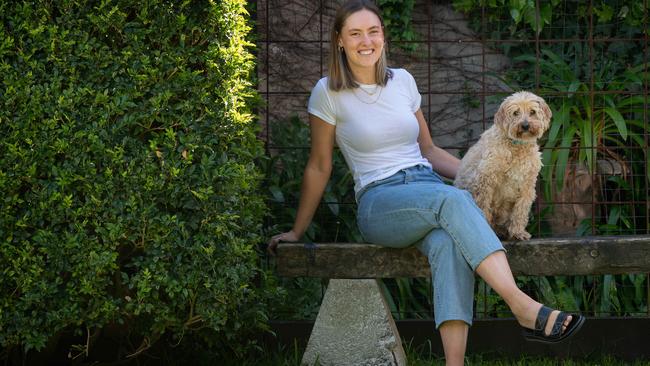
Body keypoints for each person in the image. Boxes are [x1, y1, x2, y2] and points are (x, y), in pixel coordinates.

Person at [267, 0, 585, 364]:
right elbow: (319, 166)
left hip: (427, 186)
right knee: (454, 201)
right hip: (380, 201)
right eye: (355, 33)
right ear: (339, 41)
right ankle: (523, 307)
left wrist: (474, 172)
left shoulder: (402, 81)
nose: (365, 41)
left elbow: (429, 150)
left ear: (383, 36)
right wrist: (296, 231)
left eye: (373, 31)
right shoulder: (328, 92)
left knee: (449, 244)